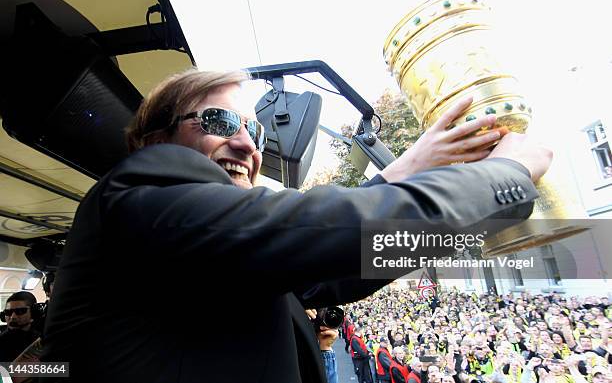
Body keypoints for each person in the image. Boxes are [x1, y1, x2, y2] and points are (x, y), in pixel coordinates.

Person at [41, 68, 551, 383]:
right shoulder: (143, 191)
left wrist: (405, 170)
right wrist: (504, 177)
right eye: (219, 123)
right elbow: (316, 231)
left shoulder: (206, 245)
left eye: (255, 129)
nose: (247, 145)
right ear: (155, 141)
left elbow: (327, 270)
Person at [0, 291, 40, 361]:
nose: (13, 317)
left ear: (34, 313)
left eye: (20, 311)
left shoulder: (43, 342)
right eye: (8, 312)